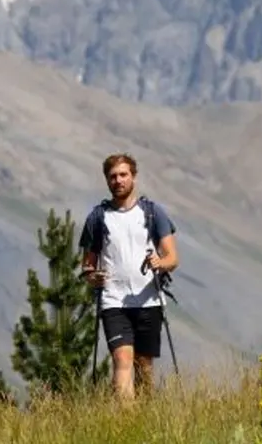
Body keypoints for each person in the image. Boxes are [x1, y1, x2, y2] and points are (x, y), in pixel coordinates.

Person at [78, 152, 178, 401]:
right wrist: (92, 277)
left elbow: (172, 258)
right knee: (122, 359)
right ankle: (124, 422)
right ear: (107, 181)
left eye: (123, 175)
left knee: (143, 366)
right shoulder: (97, 218)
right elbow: (87, 265)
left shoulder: (153, 213)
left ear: (133, 177)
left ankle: (142, 418)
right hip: (113, 301)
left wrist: (160, 263)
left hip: (148, 299)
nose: (118, 180)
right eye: (113, 176)